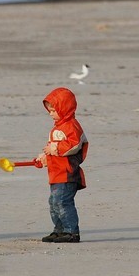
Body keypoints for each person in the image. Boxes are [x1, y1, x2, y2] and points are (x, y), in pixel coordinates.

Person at [36, 87, 88, 243]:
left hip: (67, 173)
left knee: (62, 201)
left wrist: (55, 149)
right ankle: (59, 230)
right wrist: (45, 157)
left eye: (53, 110)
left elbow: (74, 145)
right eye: (49, 110)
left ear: (63, 108)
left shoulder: (71, 126)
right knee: (53, 202)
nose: (51, 113)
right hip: (56, 173)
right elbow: (51, 147)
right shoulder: (57, 128)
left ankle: (71, 231)